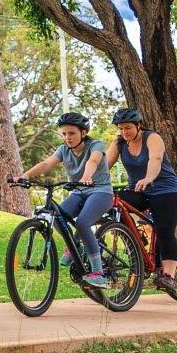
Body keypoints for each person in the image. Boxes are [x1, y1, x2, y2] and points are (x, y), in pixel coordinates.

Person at [15, 113, 111, 288]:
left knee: (82, 222)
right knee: (56, 218)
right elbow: (47, 163)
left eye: (72, 133)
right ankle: (77, 248)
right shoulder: (63, 150)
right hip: (78, 191)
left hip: (101, 191)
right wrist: (25, 176)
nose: (67, 138)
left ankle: (99, 274)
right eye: (64, 134)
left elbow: (93, 160)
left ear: (83, 133)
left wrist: (87, 176)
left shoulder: (96, 145)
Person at [105, 106, 177, 292]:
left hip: (166, 190)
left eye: (128, 128)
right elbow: (105, 165)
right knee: (114, 203)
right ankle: (136, 242)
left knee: (164, 229)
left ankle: (168, 275)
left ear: (138, 125)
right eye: (121, 128)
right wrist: (90, 181)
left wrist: (149, 178)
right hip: (139, 190)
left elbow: (155, 159)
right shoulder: (119, 143)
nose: (124, 132)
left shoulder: (152, 138)